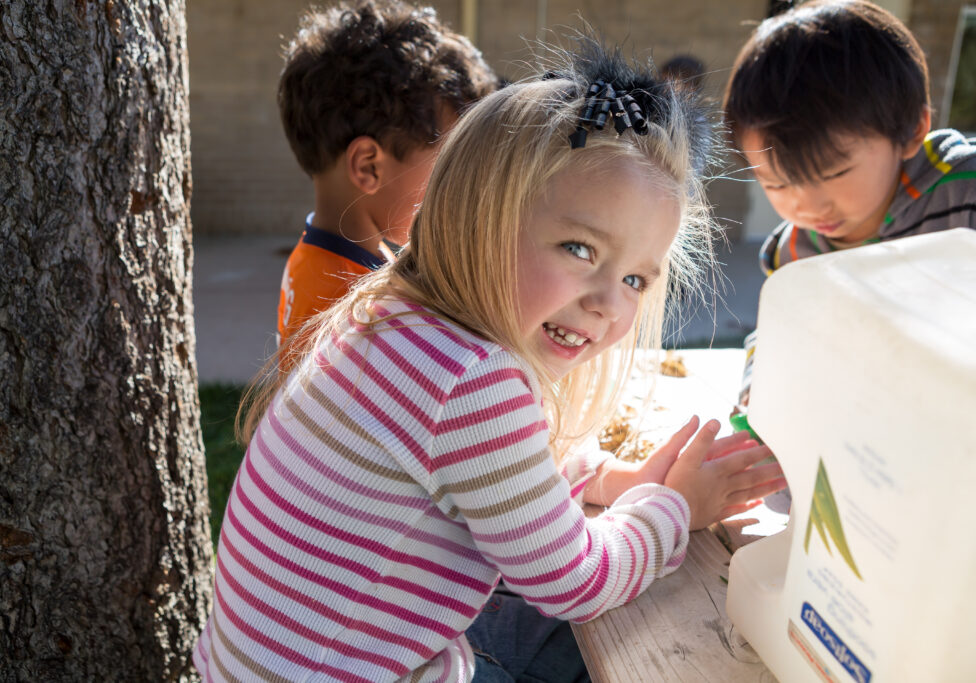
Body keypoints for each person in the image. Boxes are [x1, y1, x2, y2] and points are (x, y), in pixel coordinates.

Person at [194, 39, 785, 682]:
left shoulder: (402, 322)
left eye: (638, 280)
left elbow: (502, 470)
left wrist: (613, 481)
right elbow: (574, 581)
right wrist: (677, 510)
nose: (608, 305)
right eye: (580, 249)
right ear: (481, 219)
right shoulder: (470, 379)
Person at [275, 0, 498, 353]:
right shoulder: (357, 308)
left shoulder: (319, 262)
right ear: (368, 167)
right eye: (448, 163)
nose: (461, 184)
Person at [723, 0, 976, 277]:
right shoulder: (794, 256)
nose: (810, 208)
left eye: (834, 173)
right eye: (778, 184)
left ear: (912, 130)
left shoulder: (964, 194)